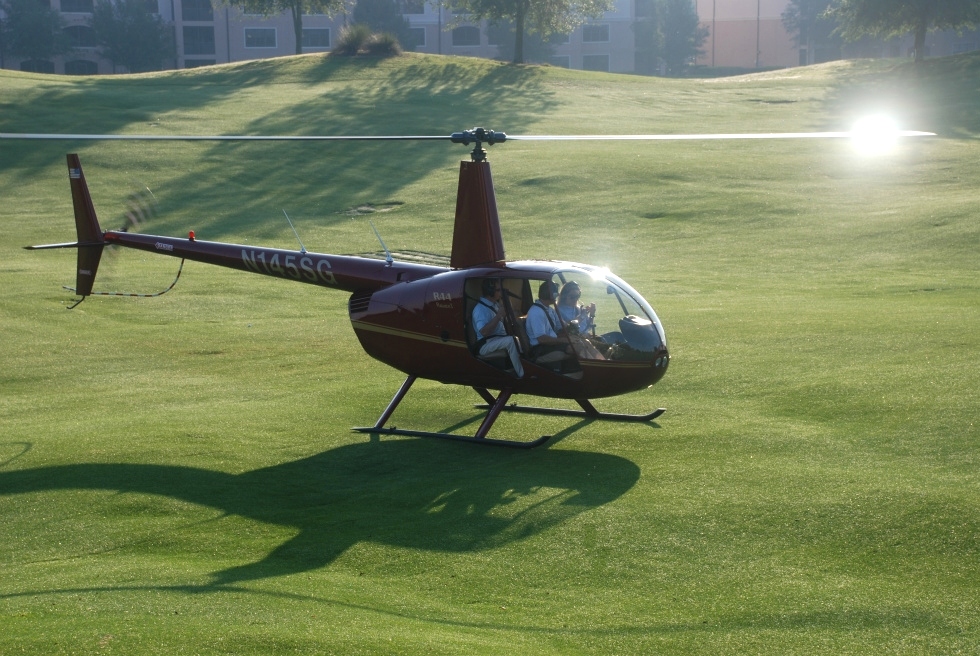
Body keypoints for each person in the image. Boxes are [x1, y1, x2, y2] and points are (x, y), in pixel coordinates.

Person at [471, 278, 524, 378]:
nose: (501, 293)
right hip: (485, 343)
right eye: (498, 290)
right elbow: (484, 332)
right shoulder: (480, 309)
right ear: (490, 291)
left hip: (497, 339)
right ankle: (522, 374)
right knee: (511, 340)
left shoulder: (495, 304)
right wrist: (498, 316)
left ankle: (525, 365)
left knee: (517, 338)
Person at [525, 281, 573, 361]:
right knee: (574, 348)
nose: (557, 296)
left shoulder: (550, 310)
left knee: (581, 343)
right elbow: (542, 339)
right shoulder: (536, 312)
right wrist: (563, 340)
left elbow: (562, 326)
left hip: (551, 344)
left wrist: (574, 332)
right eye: (556, 294)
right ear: (552, 295)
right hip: (540, 348)